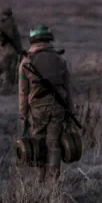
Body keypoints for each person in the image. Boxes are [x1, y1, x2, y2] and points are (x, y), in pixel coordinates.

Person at [18, 25, 74, 181]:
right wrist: (71, 111)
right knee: (54, 144)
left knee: (38, 144)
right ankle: (53, 181)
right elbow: (68, 88)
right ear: (49, 39)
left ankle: (40, 179)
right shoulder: (60, 60)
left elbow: (23, 93)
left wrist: (23, 116)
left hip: (37, 110)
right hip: (58, 108)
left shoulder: (26, 62)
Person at [0, 7, 24, 87]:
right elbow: (17, 40)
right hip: (13, 52)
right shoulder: (12, 24)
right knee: (12, 72)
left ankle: (5, 85)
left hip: (4, 52)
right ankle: (9, 87)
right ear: (11, 15)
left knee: (6, 71)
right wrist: (21, 52)